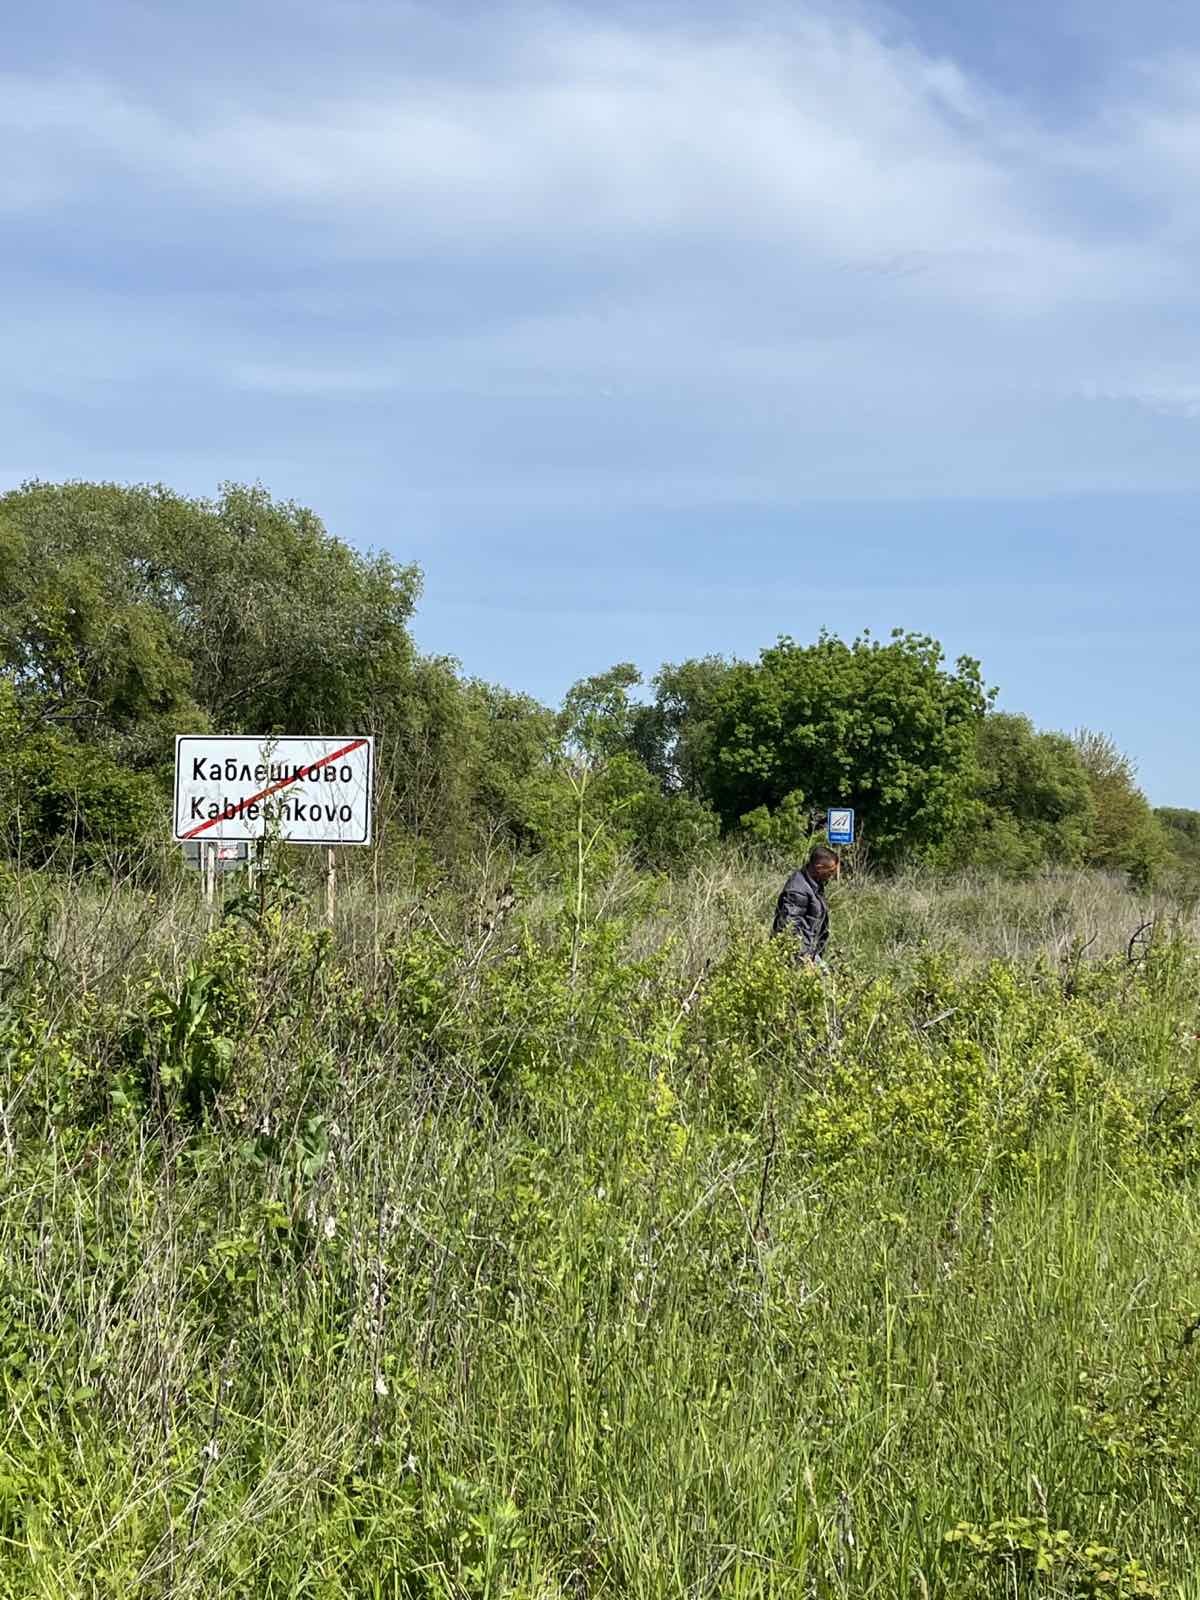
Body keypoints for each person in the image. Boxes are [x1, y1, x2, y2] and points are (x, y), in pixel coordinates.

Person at [771, 845, 837, 965]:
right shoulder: (798, 890)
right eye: (830, 871)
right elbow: (789, 928)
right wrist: (803, 959)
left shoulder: (815, 884)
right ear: (819, 868)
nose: (832, 876)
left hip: (810, 954)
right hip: (798, 958)